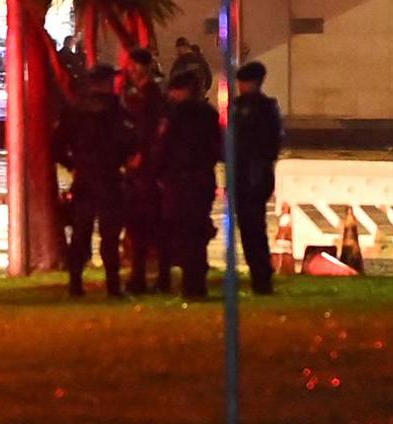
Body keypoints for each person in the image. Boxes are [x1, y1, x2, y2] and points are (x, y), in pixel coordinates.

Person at [54, 64, 138, 297]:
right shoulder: (116, 111)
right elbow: (131, 142)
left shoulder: (74, 110)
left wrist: (74, 166)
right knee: (110, 235)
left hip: (85, 179)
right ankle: (113, 285)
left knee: (81, 232)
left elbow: (57, 146)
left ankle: (75, 284)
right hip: (109, 178)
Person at [156, 69, 222, 298]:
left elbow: (164, 148)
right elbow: (218, 149)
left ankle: (188, 283)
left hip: (178, 182)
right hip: (202, 180)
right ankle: (197, 283)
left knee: (182, 232)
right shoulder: (209, 115)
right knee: (197, 231)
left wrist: (159, 173)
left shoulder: (175, 116)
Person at [231, 60, 284, 294]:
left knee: (254, 227)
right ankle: (258, 276)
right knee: (248, 227)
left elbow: (270, 143)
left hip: (255, 173)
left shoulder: (264, 108)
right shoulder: (237, 106)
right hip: (242, 173)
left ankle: (262, 278)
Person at [118, 47, 167, 294]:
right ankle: (145, 276)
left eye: (133, 67)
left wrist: (140, 156)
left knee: (144, 224)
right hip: (141, 168)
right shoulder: (138, 95)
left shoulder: (151, 96)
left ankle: (145, 277)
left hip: (145, 171)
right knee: (141, 224)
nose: (130, 71)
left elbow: (149, 131)